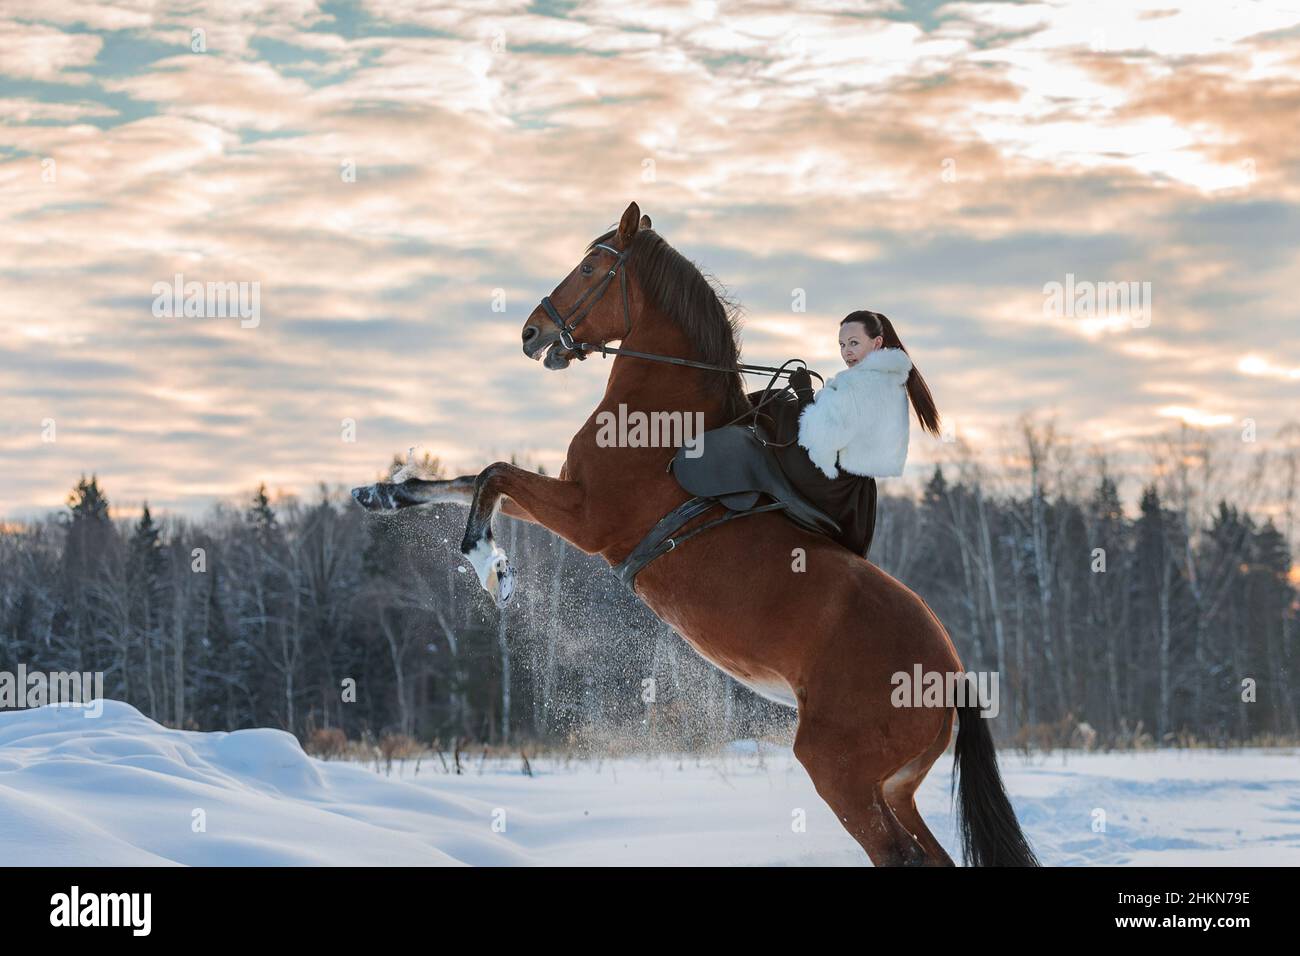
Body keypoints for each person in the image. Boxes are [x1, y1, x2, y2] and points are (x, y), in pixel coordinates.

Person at [773, 309, 941, 558]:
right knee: (778, 407)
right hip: (855, 495)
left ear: (877, 343)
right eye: (842, 345)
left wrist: (805, 393)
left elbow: (820, 437)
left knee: (773, 411)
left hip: (837, 487)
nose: (846, 352)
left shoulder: (865, 383)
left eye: (853, 343)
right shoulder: (882, 379)